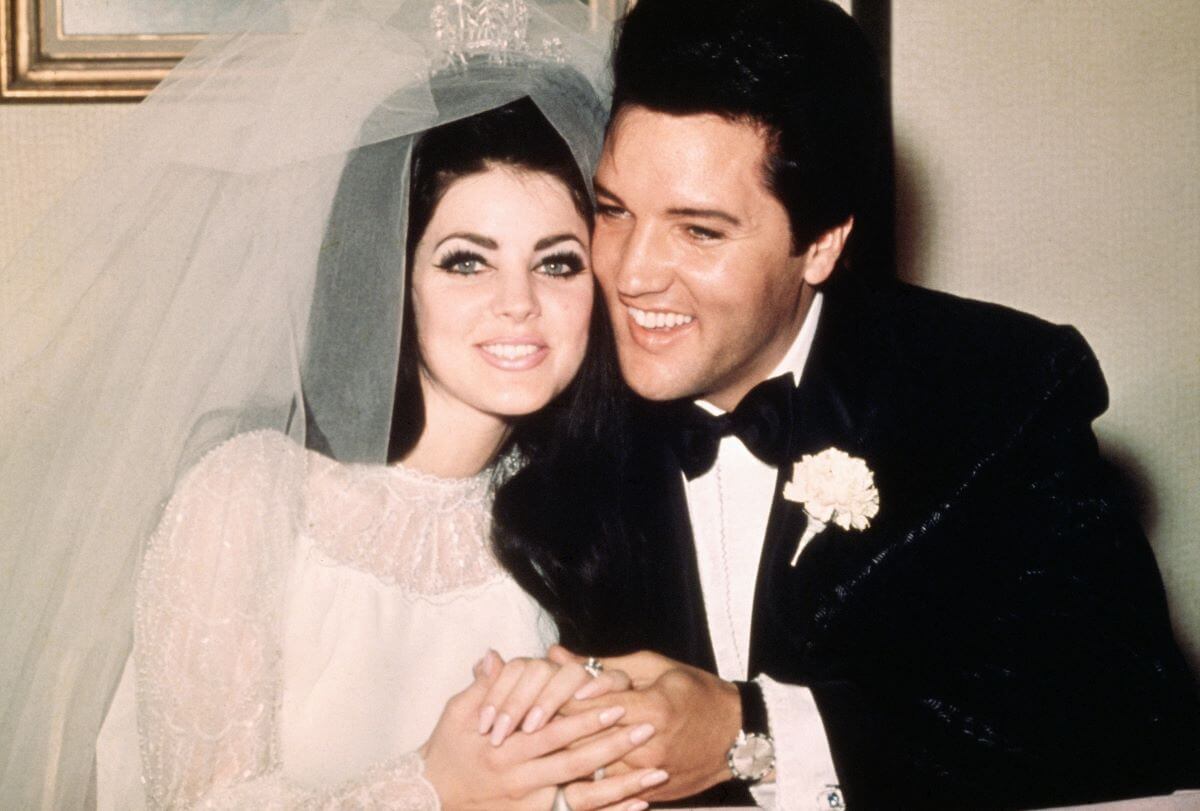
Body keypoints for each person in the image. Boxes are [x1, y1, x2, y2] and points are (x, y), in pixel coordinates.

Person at [493, 0, 1200, 808]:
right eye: (614, 210)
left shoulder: (997, 394)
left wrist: (750, 732)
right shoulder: (549, 394)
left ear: (822, 242)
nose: (629, 274)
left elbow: (1134, 725)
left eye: (698, 232)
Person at [0, 1, 659, 808]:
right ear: (390, 276)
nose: (517, 303)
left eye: (556, 264)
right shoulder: (253, 497)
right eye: (465, 262)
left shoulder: (591, 510)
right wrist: (432, 788)